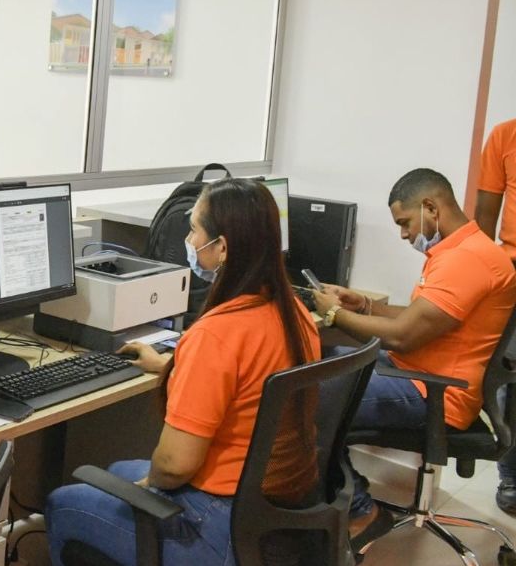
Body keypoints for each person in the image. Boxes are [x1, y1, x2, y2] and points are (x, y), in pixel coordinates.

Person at [45, 178, 320, 565]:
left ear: (222, 247)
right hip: (270, 514)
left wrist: (150, 485)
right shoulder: (296, 315)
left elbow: (175, 466)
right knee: (118, 469)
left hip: (218, 522)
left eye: (194, 230)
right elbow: (247, 382)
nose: (189, 241)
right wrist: (174, 365)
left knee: (63, 502)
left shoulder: (216, 335)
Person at [313, 168, 516, 548]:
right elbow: (421, 317)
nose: (405, 235)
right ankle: (334, 494)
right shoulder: (462, 250)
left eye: (405, 223)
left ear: (431, 207)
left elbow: (403, 337)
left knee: (303, 398)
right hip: (421, 374)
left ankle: (359, 510)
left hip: (436, 392)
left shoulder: (468, 260)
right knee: (329, 358)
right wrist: (365, 305)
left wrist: (335, 315)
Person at [473, 117, 516, 513]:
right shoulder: (505, 135)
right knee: (510, 381)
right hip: (513, 273)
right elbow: (485, 218)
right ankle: (512, 478)